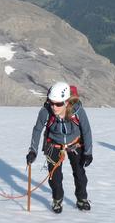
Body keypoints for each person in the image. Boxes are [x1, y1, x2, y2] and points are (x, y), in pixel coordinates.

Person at [26, 82, 93, 213]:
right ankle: (57, 199)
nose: (54, 107)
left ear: (67, 102)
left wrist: (88, 152)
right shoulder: (46, 112)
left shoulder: (77, 111)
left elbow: (86, 130)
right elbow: (37, 130)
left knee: (80, 174)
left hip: (75, 143)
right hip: (53, 144)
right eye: (52, 102)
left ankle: (82, 199)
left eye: (58, 104)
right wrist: (33, 151)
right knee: (54, 177)